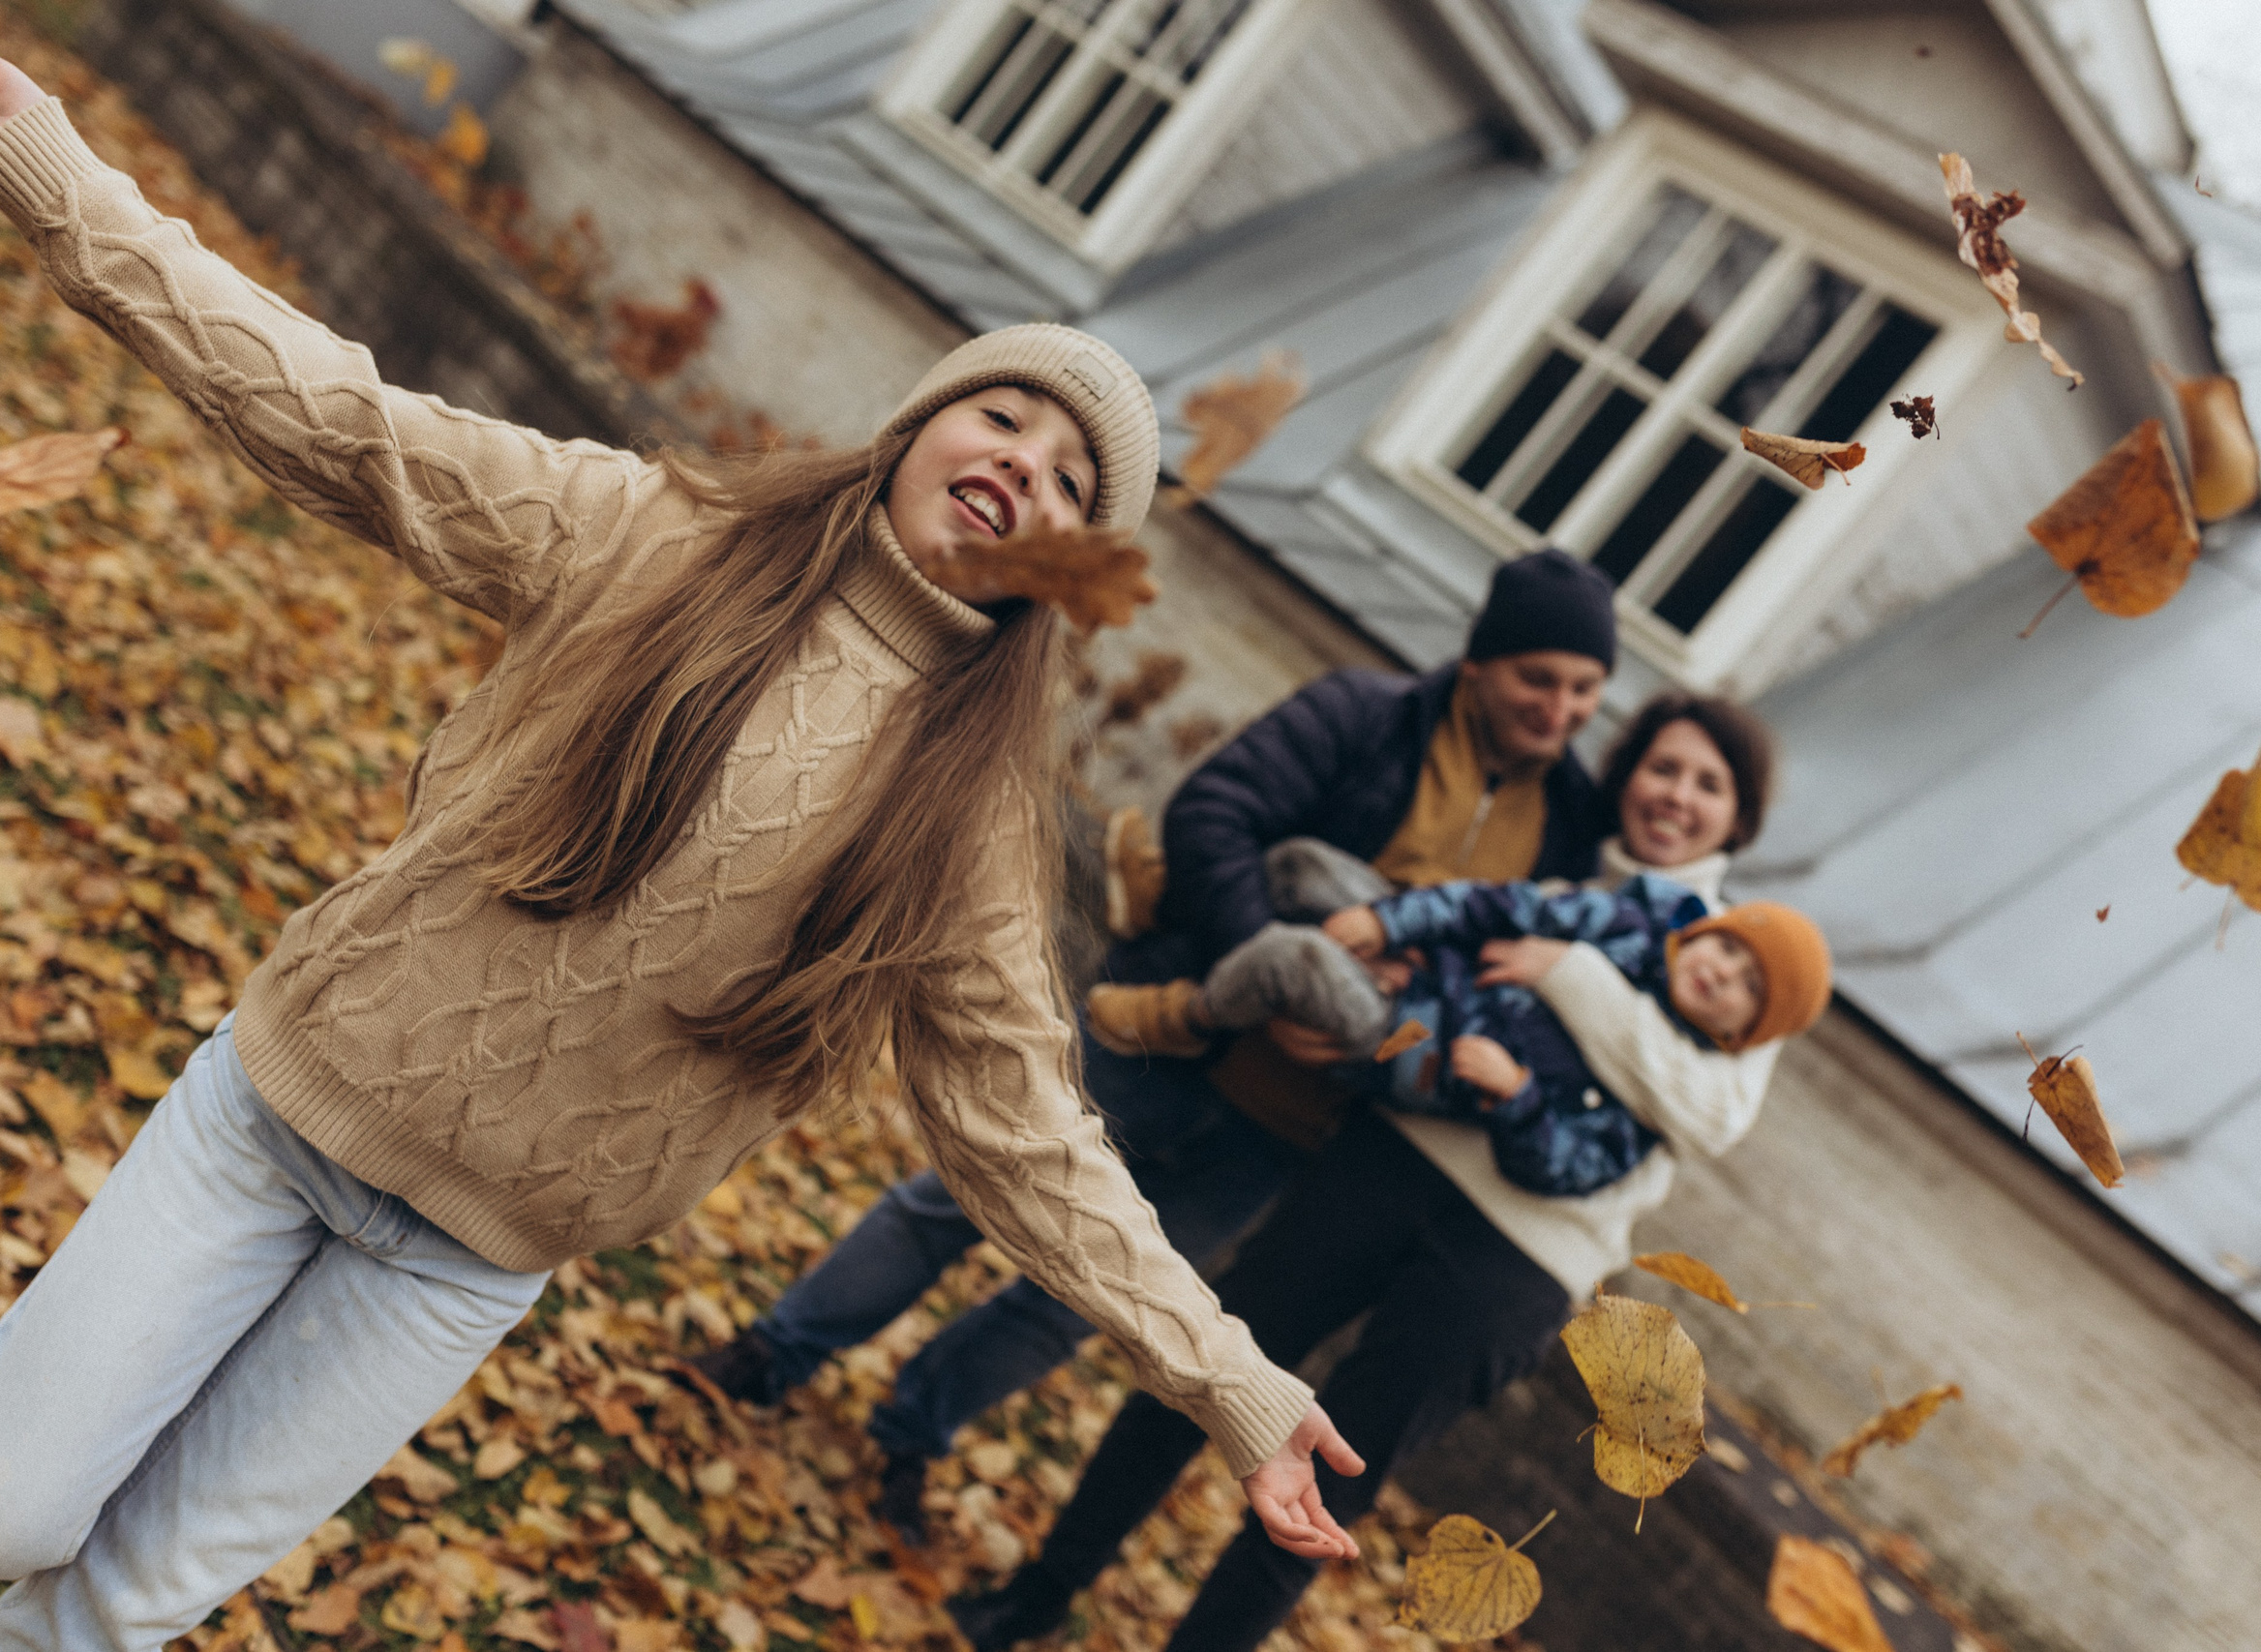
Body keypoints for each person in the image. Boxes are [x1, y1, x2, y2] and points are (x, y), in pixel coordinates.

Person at [0, 22, 1364, 1648]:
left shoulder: (973, 822)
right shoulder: (653, 533)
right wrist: (47, 173)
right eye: (1006, 419)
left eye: (1072, 484)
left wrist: (1234, 1380)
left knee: (128, 1603)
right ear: (920, 424)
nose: (1024, 471)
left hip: (458, 1267)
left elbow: (1024, 1128)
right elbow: (342, 421)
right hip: (284, 1105)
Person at [696, 550, 1621, 1536]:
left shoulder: (1570, 829)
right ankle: (773, 1353)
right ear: (1479, 661)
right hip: (1163, 1029)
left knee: (1081, 1303)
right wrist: (1271, 974)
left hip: (1286, 1130)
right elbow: (1214, 817)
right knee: (957, 1200)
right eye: (1538, 678)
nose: (1559, 709)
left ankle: (912, 1435)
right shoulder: (1366, 713)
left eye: (1584, 690)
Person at [950, 694, 1824, 1652]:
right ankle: (1038, 1592)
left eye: (1708, 784)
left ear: (1738, 816)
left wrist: (1562, 972)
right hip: (1385, 1162)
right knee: (1203, 1378)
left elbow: (1708, 1114)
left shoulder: (1749, 950)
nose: (1676, 796)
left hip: (1519, 1259)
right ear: (1626, 774)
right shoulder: (1557, 867)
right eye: (1663, 768)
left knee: (1336, 1479)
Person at [1100, 839, 1823, 1196]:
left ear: (1741, 1034)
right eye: (1729, 946)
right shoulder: (1622, 926)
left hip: (1399, 1037)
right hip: (1426, 962)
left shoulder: (1647, 1090)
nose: (1721, 970)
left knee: (1295, 957)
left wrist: (1518, 1096)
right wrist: (1392, 925)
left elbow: (1572, 1167)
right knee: (1304, 867)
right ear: (1703, 930)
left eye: (1746, 985)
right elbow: (1501, 907)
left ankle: (1189, 1016)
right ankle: (1165, 897)